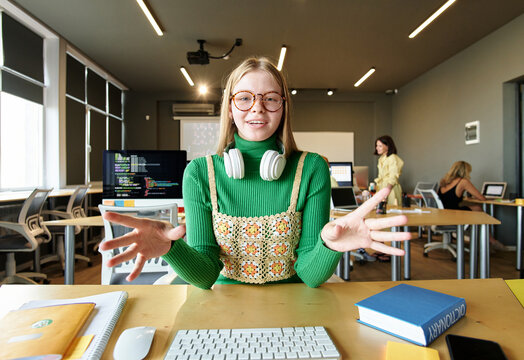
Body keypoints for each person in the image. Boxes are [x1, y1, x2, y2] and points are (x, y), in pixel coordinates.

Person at [99, 57, 411, 289]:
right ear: (230, 108)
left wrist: (328, 246)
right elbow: (206, 275)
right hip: (224, 304)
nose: (257, 108)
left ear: (283, 107)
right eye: (245, 97)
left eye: (270, 98)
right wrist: (170, 249)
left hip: (295, 304)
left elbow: (310, 275)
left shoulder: (312, 167)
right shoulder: (198, 173)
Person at [438, 161, 506, 250]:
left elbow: (444, 199)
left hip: (442, 215)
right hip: (453, 215)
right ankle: (490, 241)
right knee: (477, 208)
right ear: (465, 171)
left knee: (472, 208)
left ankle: (482, 239)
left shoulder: (444, 182)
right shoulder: (463, 181)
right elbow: (481, 198)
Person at [373, 135, 404, 206]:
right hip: (382, 187)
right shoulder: (381, 158)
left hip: (390, 188)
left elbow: (393, 176)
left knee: (391, 211)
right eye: (377, 146)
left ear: (388, 146)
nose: (377, 148)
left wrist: (387, 190)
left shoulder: (393, 158)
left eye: (380, 146)